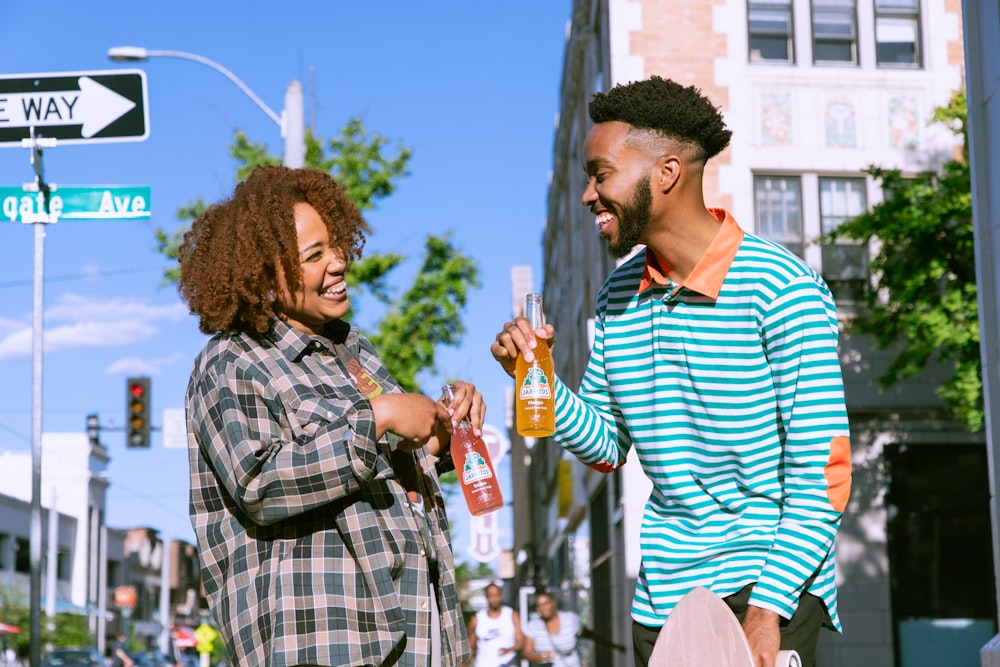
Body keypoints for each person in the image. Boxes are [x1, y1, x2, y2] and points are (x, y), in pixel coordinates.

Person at [490, 76, 852, 667]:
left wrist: (768, 614)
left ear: (666, 173)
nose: (588, 196)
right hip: (662, 603)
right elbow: (606, 447)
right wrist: (538, 384)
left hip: (766, 587)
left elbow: (824, 472)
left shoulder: (778, 286)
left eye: (601, 174)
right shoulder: (616, 296)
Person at [179, 165, 476, 666]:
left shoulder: (355, 352)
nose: (338, 263)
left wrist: (445, 432)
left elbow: (386, 464)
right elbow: (260, 483)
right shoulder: (231, 361)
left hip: (413, 634)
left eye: (335, 246)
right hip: (326, 645)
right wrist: (378, 417)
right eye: (313, 255)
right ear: (264, 275)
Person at [521, 591, 624, 666]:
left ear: (553, 603)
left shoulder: (570, 619)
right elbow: (526, 653)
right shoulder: (533, 625)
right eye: (539, 605)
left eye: (546, 603)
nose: (542, 608)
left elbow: (590, 635)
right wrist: (543, 657)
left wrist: (613, 645)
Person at [464, 582, 523, 667]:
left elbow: (520, 642)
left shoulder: (512, 615)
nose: (494, 599)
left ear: (501, 595)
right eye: (491, 595)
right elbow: (471, 648)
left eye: (497, 595)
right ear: (486, 597)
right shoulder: (477, 619)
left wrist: (510, 649)